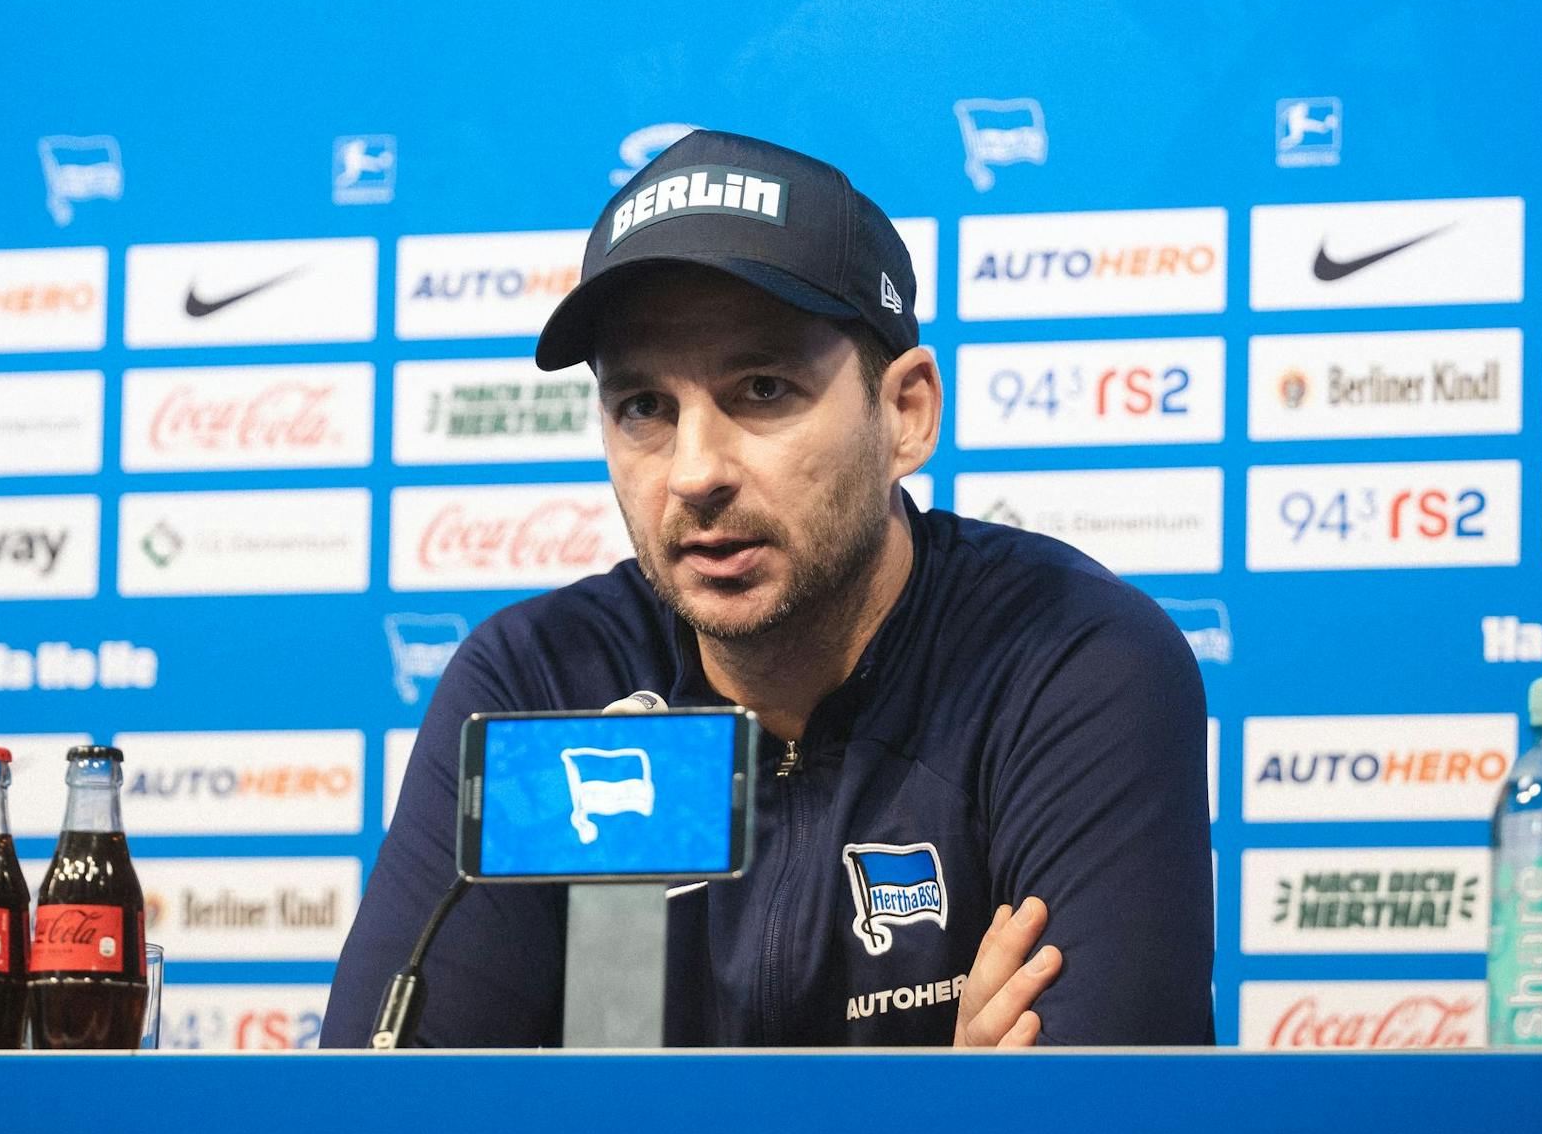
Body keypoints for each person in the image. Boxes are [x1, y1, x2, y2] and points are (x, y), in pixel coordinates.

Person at [323, 130, 1213, 1048]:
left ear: (904, 413)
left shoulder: (1065, 661)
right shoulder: (543, 688)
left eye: (762, 389)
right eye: (645, 409)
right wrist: (947, 1108)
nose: (695, 472)